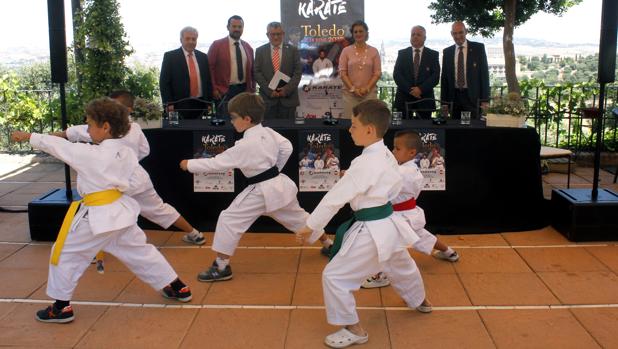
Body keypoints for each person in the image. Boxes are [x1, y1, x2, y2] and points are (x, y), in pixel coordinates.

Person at [11, 98, 192, 324]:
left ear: (105, 127)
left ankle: (60, 308)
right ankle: (177, 287)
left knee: (65, 254)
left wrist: (29, 137)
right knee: (140, 252)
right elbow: (136, 180)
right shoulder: (126, 153)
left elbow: (60, 147)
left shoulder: (92, 155)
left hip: (96, 218)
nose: (87, 130)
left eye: (89, 125)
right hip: (121, 213)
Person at [295, 99, 431, 349]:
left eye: (354, 125)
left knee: (334, 276)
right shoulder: (386, 154)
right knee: (401, 264)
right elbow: (385, 181)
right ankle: (419, 300)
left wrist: (311, 226)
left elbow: (335, 197)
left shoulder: (366, 162)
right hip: (390, 223)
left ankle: (353, 329)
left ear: (369, 129)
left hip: (372, 229)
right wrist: (359, 180)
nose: (350, 129)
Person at [52, 90, 206, 273]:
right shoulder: (136, 128)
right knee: (159, 209)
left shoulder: (105, 130)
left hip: (116, 183)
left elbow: (79, 132)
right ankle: (195, 234)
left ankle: (92, 251)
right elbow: (144, 151)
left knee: (100, 212)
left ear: (126, 110)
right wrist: (130, 161)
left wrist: (54, 136)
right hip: (139, 177)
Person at [179, 93, 325, 282]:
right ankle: (328, 243)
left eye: (233, 118)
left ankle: (221, 267)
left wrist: (189, 164)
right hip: (279, 186)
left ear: (247, 119)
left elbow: (217, 163)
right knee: (298, 217)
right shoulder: (268, 132)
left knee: (228, 219)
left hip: (261, 192)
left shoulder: (246, 145)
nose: (231, 122)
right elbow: (287, 147)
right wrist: (274, 170)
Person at [361, 130, 459, 289]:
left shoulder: (403, 172)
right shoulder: (408, 169)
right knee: (422, 236)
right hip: (408, 213)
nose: (393, 152)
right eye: (393, 148)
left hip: (400, 216)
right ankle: (449, 252)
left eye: (397, 149)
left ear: (412, 152)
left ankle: (382, 275)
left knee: (389, 244)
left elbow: (380, 184)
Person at [160, 26, 213, 118]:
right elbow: (164, 83)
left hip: (200, 103)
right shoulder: (170, 57)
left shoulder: (203, 57)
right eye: (187, 39)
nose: (191, 42)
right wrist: (169, 104)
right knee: (176, 129)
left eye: (194, 39)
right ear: (181, 40)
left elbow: (207, 81)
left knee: (199, 129)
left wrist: (208, 102)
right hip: (177, 105)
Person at [440, 21, 489, 119]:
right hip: (454, 98)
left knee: (472, 129)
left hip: (473, 98)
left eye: (460, 32)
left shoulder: (478, 48)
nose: (458, 36)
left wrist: (485, 100)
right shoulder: (447, 52)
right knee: (455, 129)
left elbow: (484, 75)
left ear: (466, 31)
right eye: (455, 33)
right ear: (451, 34)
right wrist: (444, 103)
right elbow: (444, 79)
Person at [208, 15, 255, 117]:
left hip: (244, 91)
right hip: (224, 92)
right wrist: (214, 88)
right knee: (225, 123)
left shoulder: (248, 47)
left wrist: (252, 89)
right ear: (228, 27)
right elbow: (209, 68)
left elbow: (252, 71)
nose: (237, 29)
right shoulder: (217, 45)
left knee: (243, 121)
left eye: (240, 27)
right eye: (234, 26)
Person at [254, 22, 302, 119]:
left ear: (283, 34)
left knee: (289, 132)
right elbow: (257, 72)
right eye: (273, 34)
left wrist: (286, 90)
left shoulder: (293, 50)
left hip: (288, 100)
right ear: (267, 35)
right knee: (268, 132)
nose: (276, 37)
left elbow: (298, 72)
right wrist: (269, 91)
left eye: (278, 34)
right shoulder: (260, 51)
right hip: (268, 100)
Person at [393, 26, 440, 119]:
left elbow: (435, 76)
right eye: (413, 34)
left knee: (425, 130)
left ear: (424, 38)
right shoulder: (402, 54)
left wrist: (420, 89)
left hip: (425, 100)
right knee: (403, 131)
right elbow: (397, 75)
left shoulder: (433, 54)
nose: (415, 37)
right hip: (404, 99)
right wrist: (411, 90)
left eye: (418, 34)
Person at [339, 20, 381, 119]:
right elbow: (342, 73)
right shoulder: (346, 51)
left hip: (369, 95)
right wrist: (353, 89)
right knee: (349, 127)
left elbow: (377, 73)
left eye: (361, 31)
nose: (358, 34)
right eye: (355, 32)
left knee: (369, 126)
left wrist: (367, 88)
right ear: (352, 34)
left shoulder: (374, 51)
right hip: (349, 96)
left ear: (366, 33)